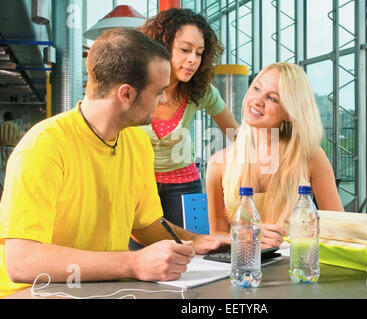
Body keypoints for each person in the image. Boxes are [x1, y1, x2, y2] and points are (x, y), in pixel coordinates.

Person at [0, 28, 227, 298]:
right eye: (159, 92)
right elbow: (22, 261)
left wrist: (199, 241)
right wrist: (134, 263)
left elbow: (145, 225)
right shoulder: (43, 148)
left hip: (104, 289)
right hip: (36, 292)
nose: (164, 99)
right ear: (126, 94)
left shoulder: (137, 143)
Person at [206, 62, 344, 248]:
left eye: (272, 98)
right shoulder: (218, 163)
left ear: (290, 112)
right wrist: (249, 235)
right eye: (256, 88)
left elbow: (338, 229)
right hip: (245, 268)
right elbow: (218, 237)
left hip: (296, 265)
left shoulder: (311, 157)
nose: (257, 100)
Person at [138, 8, 239, 228]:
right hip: (137, 182)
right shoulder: (135, 87)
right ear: (162, 47)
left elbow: (235, 134)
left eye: (199, 53)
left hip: (183, 183)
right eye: (185, 49)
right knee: (138, 255)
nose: (193, 59)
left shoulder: (200, 91)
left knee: (193, 253)